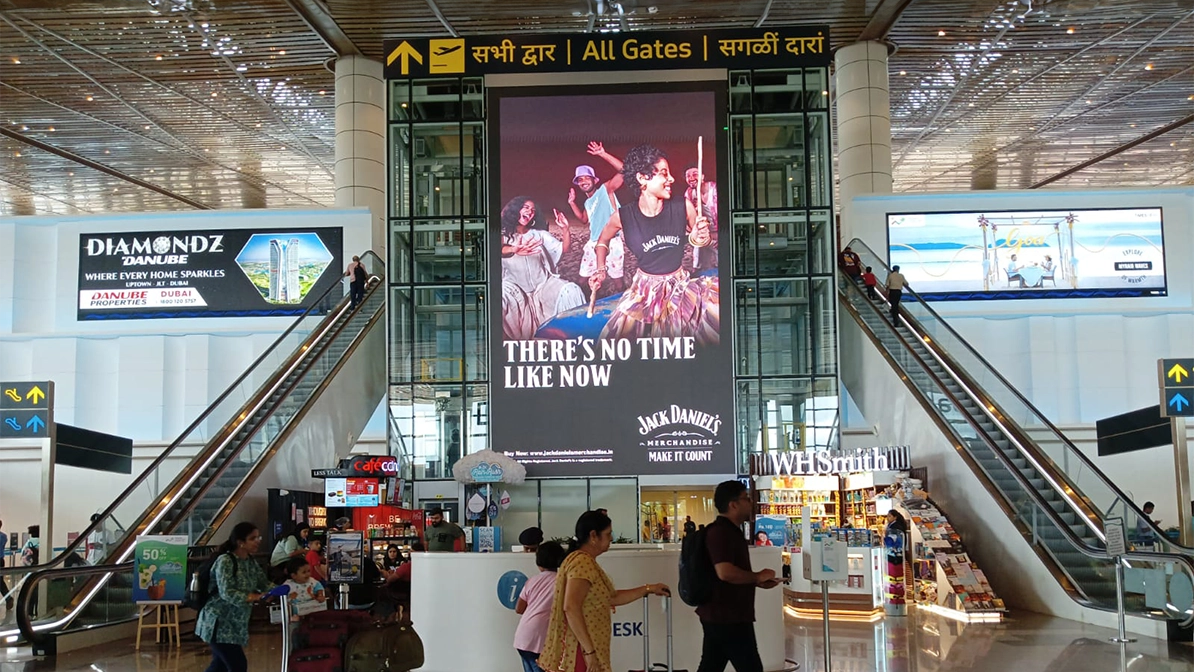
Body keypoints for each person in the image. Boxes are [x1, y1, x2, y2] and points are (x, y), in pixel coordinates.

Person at [590, 144, 719, 345]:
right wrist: (600, 269)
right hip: (643, 293)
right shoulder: (623, 216)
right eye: (664, 174)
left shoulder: (682, 206)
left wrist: (702, 236)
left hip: (680, 288)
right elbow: (602, 241)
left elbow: (699, 240)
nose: (672, 179)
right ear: (643, 178)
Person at [540, 511, 671, 672]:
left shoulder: (583, 561)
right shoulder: (582, 562)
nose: (611, 538)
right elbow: (571, 607)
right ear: (593, 536)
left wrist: (649, 588)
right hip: (580, 651)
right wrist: (589, 652)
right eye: (608, 534)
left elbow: (610, 598)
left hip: (586, 648)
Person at [695, 480, 782, 672]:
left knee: (711, 664)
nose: (750, 502)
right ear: (733, 504)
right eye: (746, 498)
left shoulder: (730, 532)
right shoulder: (721, 533)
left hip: (724, 614)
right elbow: (725, 572)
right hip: (728, 616)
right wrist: (757, 577)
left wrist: (757, 581)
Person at [501, 196, 586, 339]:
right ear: (515, 210)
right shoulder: (502, 235)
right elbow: (497, 249)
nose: (530, 211)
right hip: (515, 289)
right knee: (500, 298)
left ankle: (575, 339)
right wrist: (513, 249)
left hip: (543, 286)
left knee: (571, 290)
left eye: (533, 210)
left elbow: (564, 249)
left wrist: (565, 229)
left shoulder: (539, 235)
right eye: (526, 207)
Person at [195, 522, 273, 672]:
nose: (258, 541)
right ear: (240, 542)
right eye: (253, 538)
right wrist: (254, 597)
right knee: (237, 665)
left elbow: (263, 583)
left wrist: (285, 590)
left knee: (220, 666)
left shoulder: (250, 562)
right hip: (218, 622)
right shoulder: (225, 561)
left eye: (258, 537)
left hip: (235, 624)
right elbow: (227, 592)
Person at [569, 142, 627, 296]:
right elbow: (583, 219)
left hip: (612, 242)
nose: (583, 182)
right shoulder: (588, 202)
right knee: (582, 280)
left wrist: (602, 153)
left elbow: (624, 170)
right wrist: (572, 203)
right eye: (580, 180)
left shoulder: (605, 190)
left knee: (617, 282)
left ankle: (621, 304)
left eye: (587, 178)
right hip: (593, 243)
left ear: (595, 180)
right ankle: (584, 302)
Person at [513, 541, 567, 672]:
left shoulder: (532, 581)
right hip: (542, 639)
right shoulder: (564, 582)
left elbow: (519, 609)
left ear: (538, 562)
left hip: (523, 636)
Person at [684, 165, 718, 271]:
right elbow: (688, 216)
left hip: (717, 231)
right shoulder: (689, 193)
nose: (691, 178)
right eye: (687, 176)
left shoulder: (715, 189)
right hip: (703, 230)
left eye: (695, 174)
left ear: (703, 176)